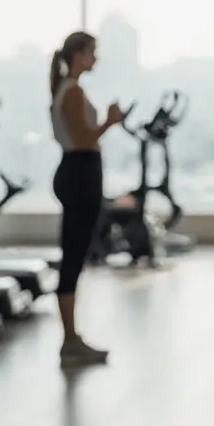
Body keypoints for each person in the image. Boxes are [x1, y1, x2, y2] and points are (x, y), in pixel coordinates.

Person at [50, 31, 126, 367]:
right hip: (79, 173)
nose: (96, 58)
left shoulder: (68, 87)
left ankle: (72, 338)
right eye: (93, 52)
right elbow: (82, 138)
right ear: (79, 54)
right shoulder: (73, 90)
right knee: (73, 256)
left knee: (76, 254)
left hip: (79, 172)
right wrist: (110, 122)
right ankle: (69, 341)